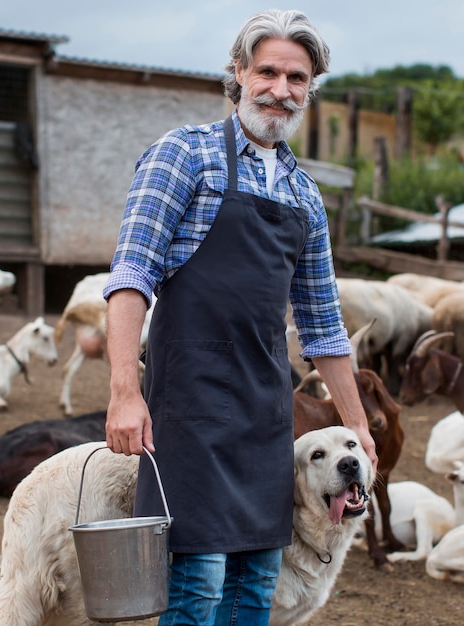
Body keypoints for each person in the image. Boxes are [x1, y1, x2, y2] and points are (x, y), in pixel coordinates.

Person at [103, 8, 378, 626]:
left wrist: (357, 426)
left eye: (298, 78)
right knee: (198, 585)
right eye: (269, 72)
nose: (281, 90)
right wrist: (124, 390)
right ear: (239, 73)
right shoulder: (183, 155)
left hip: (265, 417)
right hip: (189, 411)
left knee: (255, 587)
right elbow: (131, 277)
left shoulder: (306, 197)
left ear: (311, 89)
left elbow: (324, 326)